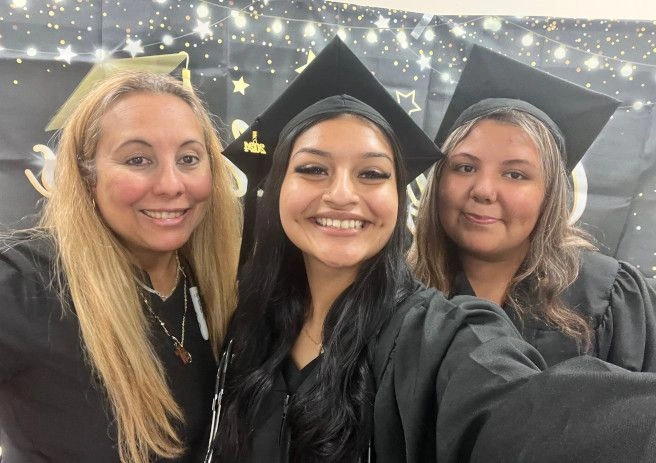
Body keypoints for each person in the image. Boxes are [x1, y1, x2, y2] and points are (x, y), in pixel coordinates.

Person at [204, 37, 656, 463]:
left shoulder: (431, 329)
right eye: (313, 168)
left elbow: (525, 410)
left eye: (372, 174)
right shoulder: (243, 318)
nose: (483, 190)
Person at [0, 71, 242, 462]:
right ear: (86, 174)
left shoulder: (219, 282)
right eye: (138, 159)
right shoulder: (28, 285)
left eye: (188, 159)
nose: (171, 184)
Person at [410, 45, 656, 369]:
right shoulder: (404, 293)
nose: (484, 191)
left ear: (550, 194)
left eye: (515, 174)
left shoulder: (607, 297)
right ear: (439, 181)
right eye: (465, 167)